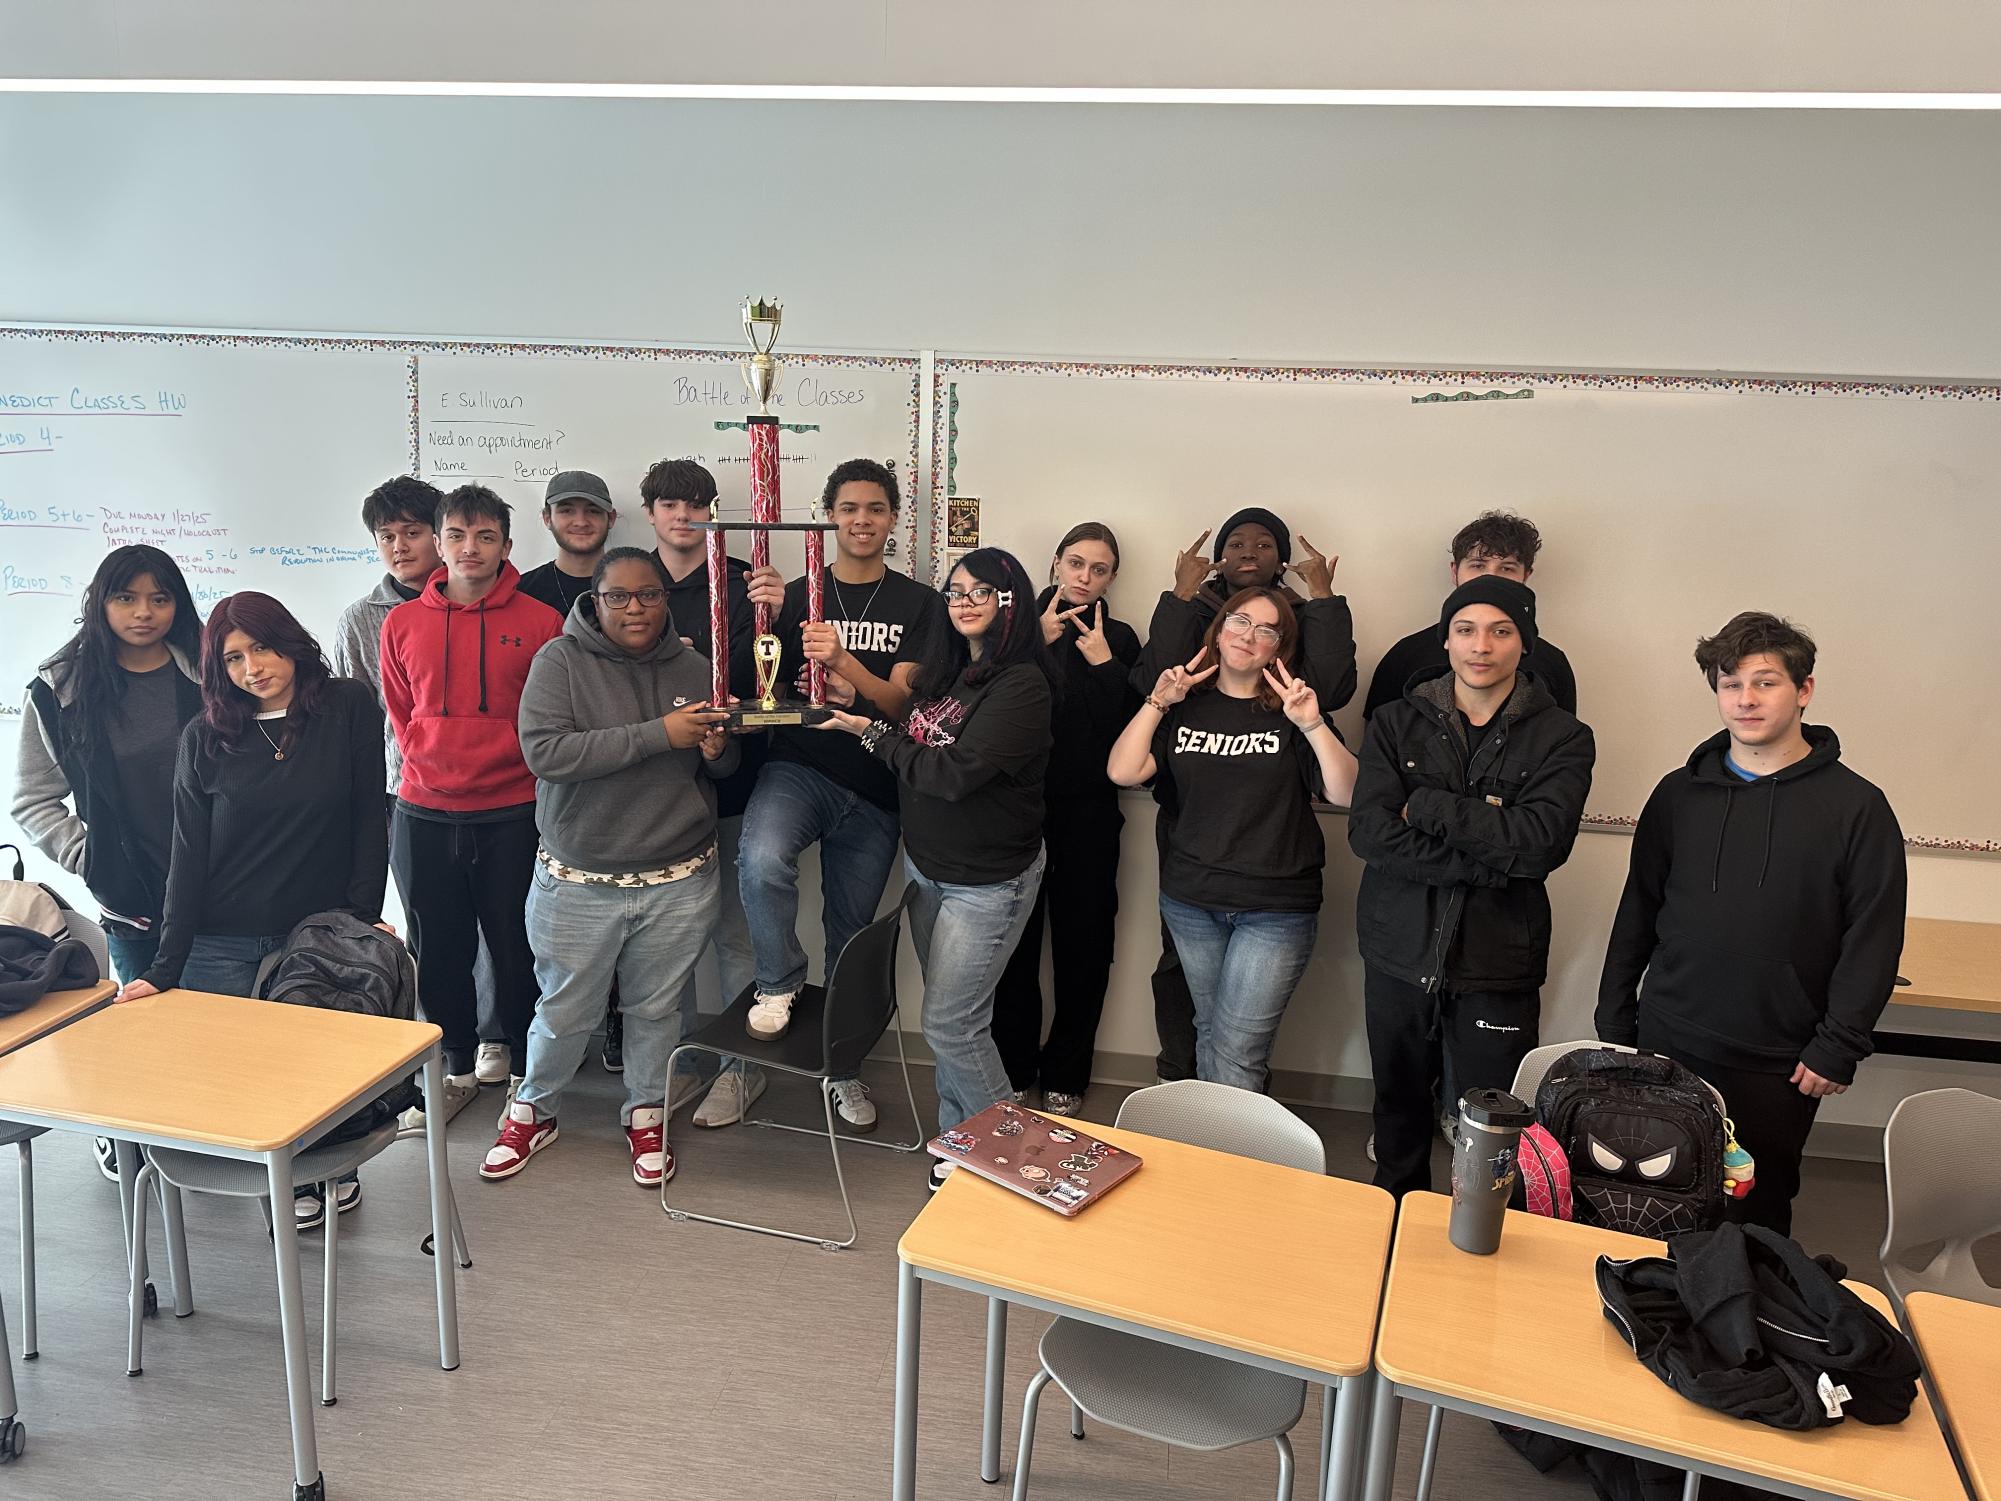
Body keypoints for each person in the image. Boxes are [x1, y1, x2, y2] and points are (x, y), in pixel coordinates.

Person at [1597, 612, 1904, 1236]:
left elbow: (1872, 936)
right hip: (1670, 1035)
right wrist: (1614, 1012)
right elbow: (1640, 907)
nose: (1745, 700)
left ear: (1805, 690)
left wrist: (1838, 1044)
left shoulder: (1857, 807)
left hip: (1778, 1057)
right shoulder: (1678, 795)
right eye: (1730, 683)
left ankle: (1744, 1326)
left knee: (1754, 1213)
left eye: (1765, 682)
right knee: (1651, 1195)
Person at [116, 592, 388, 1229]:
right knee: (247, 1083)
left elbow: (368, 820)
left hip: (314, 937)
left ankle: (331, 1168)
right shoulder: (206, 737)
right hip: (222, 938)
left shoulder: (346, 706)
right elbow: (188, 858)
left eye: (262, 647)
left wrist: (358, 919)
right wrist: (164, 966)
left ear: (290, 641)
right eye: (233, 658)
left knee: (319, 1073)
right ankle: (279, 1182)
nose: (253, 668)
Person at [483, 549, 735, 1187]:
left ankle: (646, 1110)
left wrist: (716, 749)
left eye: (648, 595)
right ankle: (533, 1111)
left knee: (656, 1010)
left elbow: (721, 773)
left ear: (666, 600)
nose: (635, 608)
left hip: (679, 878)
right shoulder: (558, 662)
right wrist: (661, 733)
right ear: (595, 601)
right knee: (565, 1009)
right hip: (578, 879)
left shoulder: (696, 666)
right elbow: (546, 753)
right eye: (618, 596)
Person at [1348, 576, 1595, 1200]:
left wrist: (1426, 804)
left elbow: (1540, 846)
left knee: (1491, 1128)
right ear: (1446, 639)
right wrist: (1495, 857)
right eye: (1466, 629)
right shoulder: (1393, 723)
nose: (1480, 645)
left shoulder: (1564, 737)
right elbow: (1371, 835)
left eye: (1500, 630)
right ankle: (1395, 1220)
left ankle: (1479, 1246)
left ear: (1524, 642)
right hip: (1397, 950)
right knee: (1396, 1109)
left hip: (1497, 959)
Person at [814, 548, 1053, 1190]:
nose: (965, 599)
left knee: (951, 1022)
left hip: (988, 882)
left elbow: (952, 776)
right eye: (955, 591)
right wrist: (866, 713)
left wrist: (871, 736)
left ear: (1012, 602)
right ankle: (962, 1141)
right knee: (956, 1020)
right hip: (929, 868)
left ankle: (1019, 1154)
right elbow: (914, 727)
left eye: (983, 590)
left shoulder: (1022, 684)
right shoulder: (951, 673)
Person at [733, 458, 947, 1133]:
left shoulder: (920, 602)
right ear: (830, 516)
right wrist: (759, 613)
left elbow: (907, 702)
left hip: (879, 784)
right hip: (799, 766)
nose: (861, 520)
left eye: (874, 509)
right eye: (848, 508)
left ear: (891, 520)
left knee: (852, 935)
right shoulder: (796, 591)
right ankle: (778, 979)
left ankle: (842, 1069)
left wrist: (848, 669)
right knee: (761, 859)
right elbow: (750, 680)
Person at [1129, 506, 1358, 1084]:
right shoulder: (1200, 616)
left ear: (1282, 560)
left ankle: (1227, 1136)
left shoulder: (1297, 619)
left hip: (1270, 848)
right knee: (1185, 983)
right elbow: (1151, 680)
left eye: (1263, 544)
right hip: (1193, 840)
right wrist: (1180, 594)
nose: (1248, 552)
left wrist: (1326, 598)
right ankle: (1179, 1083)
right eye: (1236, 543)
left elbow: (1332, 691)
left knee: (1237, 1041)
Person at [14, 546, 204, 1184]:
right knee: (145, 1019)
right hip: (131, 887)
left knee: (224, 1017)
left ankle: (214, 1131)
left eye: (159, 598)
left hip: (225, 878)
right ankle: (129, 1130)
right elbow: (33, 799)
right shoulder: (60, 688)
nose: (143, 613)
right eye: (126, 598)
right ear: (100, 602)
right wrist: (86, 856)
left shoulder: (212, 668)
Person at [379, 485, 563, 1124]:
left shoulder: (542, 622)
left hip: (514, 810)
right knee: (439, 948)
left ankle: (518, 1069)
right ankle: (453, 1065)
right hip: (424, 812)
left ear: (507, 546)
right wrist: (432, 761)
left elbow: (549, 716)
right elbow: (402, 715)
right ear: (438, 543)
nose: (470, 548)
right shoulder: (401, 623)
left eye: (485, 537)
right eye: (456, 535)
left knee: (517, 947)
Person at [992, 523, 1141, 1115]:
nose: (1083, 577)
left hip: (1090, 815)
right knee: (1014, 949)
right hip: (1016, 813)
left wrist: (1106, 665)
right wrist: (1035, 642)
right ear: (1055, 563)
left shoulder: (1123, 637)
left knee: (1084, 949)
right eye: (1075, 563)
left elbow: (1133, 733)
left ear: (1111, 578)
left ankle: (1068, 1073)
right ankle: (1012, 1066)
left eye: (1098, 569)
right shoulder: (1014, 628)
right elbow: (985, 704)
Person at [639, 458, 760, 1103]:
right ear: (651, 513)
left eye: (695, 504)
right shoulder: (632, 580)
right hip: (659, 789)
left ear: (713, 511)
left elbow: (753, 672)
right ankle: (683, 1058)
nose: (682, 516)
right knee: (670, 940)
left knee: (737, 933)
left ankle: (742, 1071)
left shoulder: (746, 584)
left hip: (736, 783)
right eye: (668, 504)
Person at [1363, 509, 1578, 719]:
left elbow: (1563, 739)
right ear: (1455, 571)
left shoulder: (1551, 662)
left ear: (1526, 576)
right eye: (1478, 565)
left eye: (1507, 568)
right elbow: (1377, 744)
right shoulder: (1406, 655)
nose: (1491, 578)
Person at [329, 475, 445, 818]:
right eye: (387, 536)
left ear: (438, 537)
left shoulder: (472, 603)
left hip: (484, 785)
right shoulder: (359, 620)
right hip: (400, 787)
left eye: (412, 533)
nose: (399, 547)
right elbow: (355, 716)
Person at [516, 470, 616, 620]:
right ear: (547, 518)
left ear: (611, 518)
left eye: (593, 511)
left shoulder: (636, 585)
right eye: (567, 511)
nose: (581, 522)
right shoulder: (522, 592)